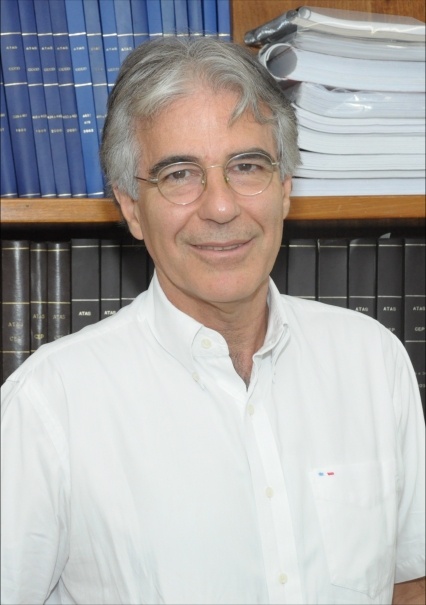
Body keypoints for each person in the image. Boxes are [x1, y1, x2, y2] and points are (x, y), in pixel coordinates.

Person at [1, 36, 424, 605]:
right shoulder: (49, 404)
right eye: (179, 174)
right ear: (131, 208)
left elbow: (408, 584)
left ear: (285, 188)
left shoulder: (373, 361)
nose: (221, 207)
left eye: (246, 166)